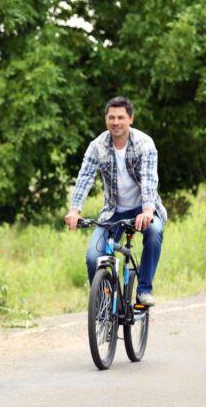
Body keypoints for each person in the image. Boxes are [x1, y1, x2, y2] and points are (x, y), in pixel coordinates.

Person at [64, 96, 166, 306]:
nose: (116, 122)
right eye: (112, 117)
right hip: (114, 212)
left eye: (121, 117)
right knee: (94, 256)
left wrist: (148, 210)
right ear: (106, 119)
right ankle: (104, 302)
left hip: (143, 208)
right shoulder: (97, 145)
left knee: (154, 232)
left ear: (130, 119)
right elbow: (85, 178)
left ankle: (144, 290)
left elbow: (149, 179)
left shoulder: (144, 144)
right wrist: (75, 210)